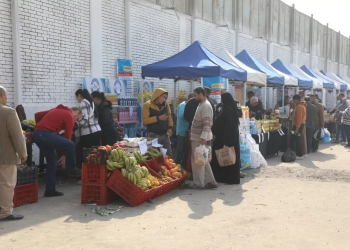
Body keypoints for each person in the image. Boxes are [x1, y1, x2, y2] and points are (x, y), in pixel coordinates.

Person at [33, 105, 83, 197]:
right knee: (71, 144)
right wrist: (64, 155)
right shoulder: (69, 115)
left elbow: (37, 115)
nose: (75, 121)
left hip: (37, 134)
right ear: (76, 112)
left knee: (52, 162)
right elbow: (68, 136)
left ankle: (50, 190)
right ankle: (71, 169)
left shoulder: (56, 110)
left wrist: (39, 127)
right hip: (46, 134)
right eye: (77, 119)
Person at [0, 86, 27, 221]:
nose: (7, 98)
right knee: (7, 184)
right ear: (1, 96)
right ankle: (5, 212)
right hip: (5, 156)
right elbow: (17, 136)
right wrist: (23, 153)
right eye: (6, 95)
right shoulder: (8, 112)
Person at [189, 87, 217, 189]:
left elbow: (206, 124)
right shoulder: (202, 105)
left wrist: (203, 138)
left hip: (200, 138)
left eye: (196, 95)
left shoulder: (205, 106)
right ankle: (211, 181)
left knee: (199, 161)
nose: (194, 97)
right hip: (201, 137)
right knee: (204, 161)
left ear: (201, 94)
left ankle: (200, 183)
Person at [211, 93, 241, 184]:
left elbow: (228, 126)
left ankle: (228, 178)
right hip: (229, 138)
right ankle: (227, 177)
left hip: (226, 138)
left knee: (227, 158)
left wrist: (226, 141)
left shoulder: (228, 110)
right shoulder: (231, 109)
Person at [142, 88, 173, 157]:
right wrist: (158, 118)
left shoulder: (166, 104)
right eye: (163, 97)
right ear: (158, 96)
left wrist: (170, 127)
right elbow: (145, 120)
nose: (164, 99)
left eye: (166, 98)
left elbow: (169, 116)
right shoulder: (147, 105)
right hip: (153, 136)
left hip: (165, 135)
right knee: (154, 157)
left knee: (168, 156)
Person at [175, 95, 191, 167]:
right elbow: (182, 115)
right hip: (181, 132)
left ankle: (183, 166)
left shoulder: (187, 105)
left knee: (186, 151)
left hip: (187, 132)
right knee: (180, 151)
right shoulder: (183, 105)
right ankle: (176, 166)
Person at [290, 95, 306, 159]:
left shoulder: (299, 107)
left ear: (296, 99)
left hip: (297, 125)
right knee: (295, 138)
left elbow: (299, 118)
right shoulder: (302, 106)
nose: (293, 101)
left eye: (294, 100)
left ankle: (299, 154)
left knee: (296, 139)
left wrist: (297, 128)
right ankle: (297, 153)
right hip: (300, 125)